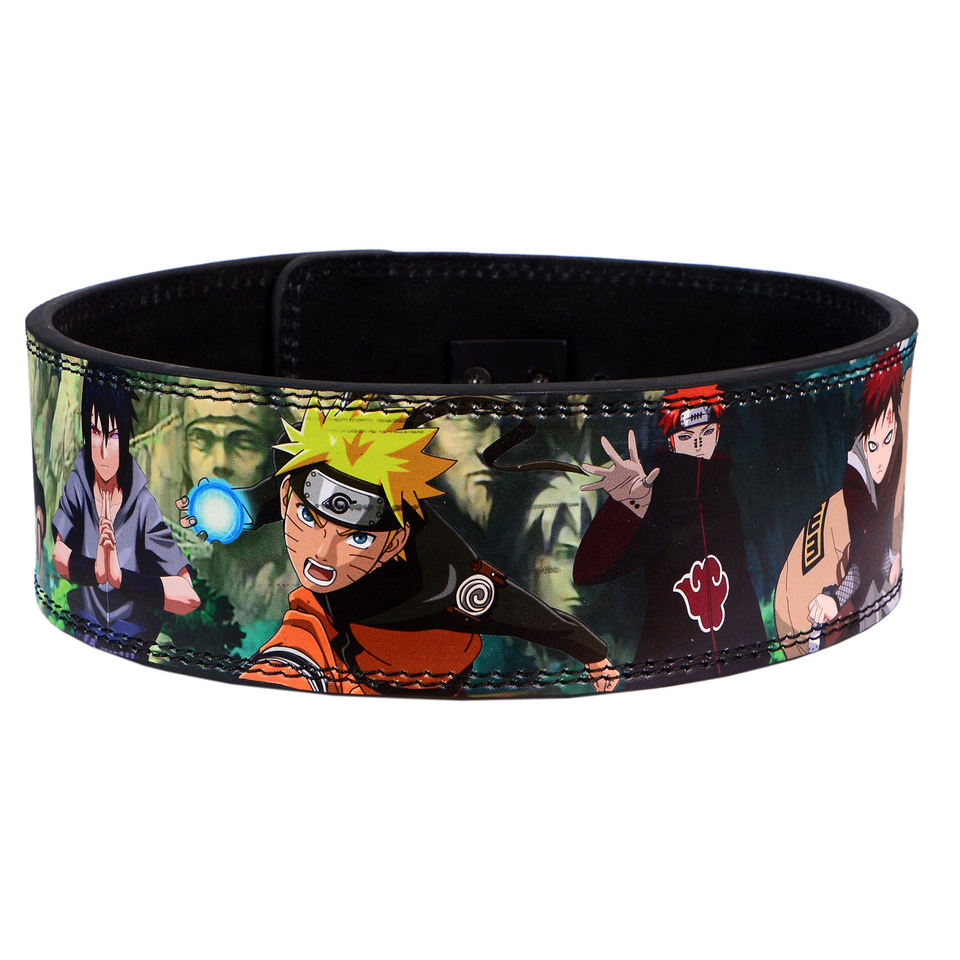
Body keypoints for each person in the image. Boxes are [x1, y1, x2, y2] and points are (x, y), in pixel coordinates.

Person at [232, 397, 618, 695]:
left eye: (358, 537)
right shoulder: (307, 485)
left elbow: (518, 609)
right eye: (308, 518)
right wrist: (237, 508)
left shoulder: (443, 572)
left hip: (421, 680)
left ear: (395, 540)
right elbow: (289, 482)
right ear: (287, 498)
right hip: (328, 639)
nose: (322, 552)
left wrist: (592, 652)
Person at [573, 385, 768, 683]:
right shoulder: (657, 498)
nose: (699, 444)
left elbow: (740, 578)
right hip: (669, 673)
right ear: (671, 440)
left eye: (707, 433)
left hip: (740, 666)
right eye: (687, 437)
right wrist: (628, 506)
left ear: (718, 433)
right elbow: (588, 570)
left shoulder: (728, 491)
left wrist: (757, 649)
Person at [52, 368, 200, 656]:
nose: (103, 451)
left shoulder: (142, 505)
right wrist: (95, 570)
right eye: (95, 433)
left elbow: (187, 595)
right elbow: (59, 556)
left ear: (126, 436)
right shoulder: (78, 486)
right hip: (80, 635)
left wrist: (121, 579)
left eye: (113, 435)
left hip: (133, 642)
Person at [805, 347, 904, 639]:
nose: (881, 459)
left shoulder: (896, 444)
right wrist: (836, 598)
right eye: (872, 446)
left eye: (888, 439)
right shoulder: (855, 475)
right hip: (864, 587)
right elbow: (866, 543)